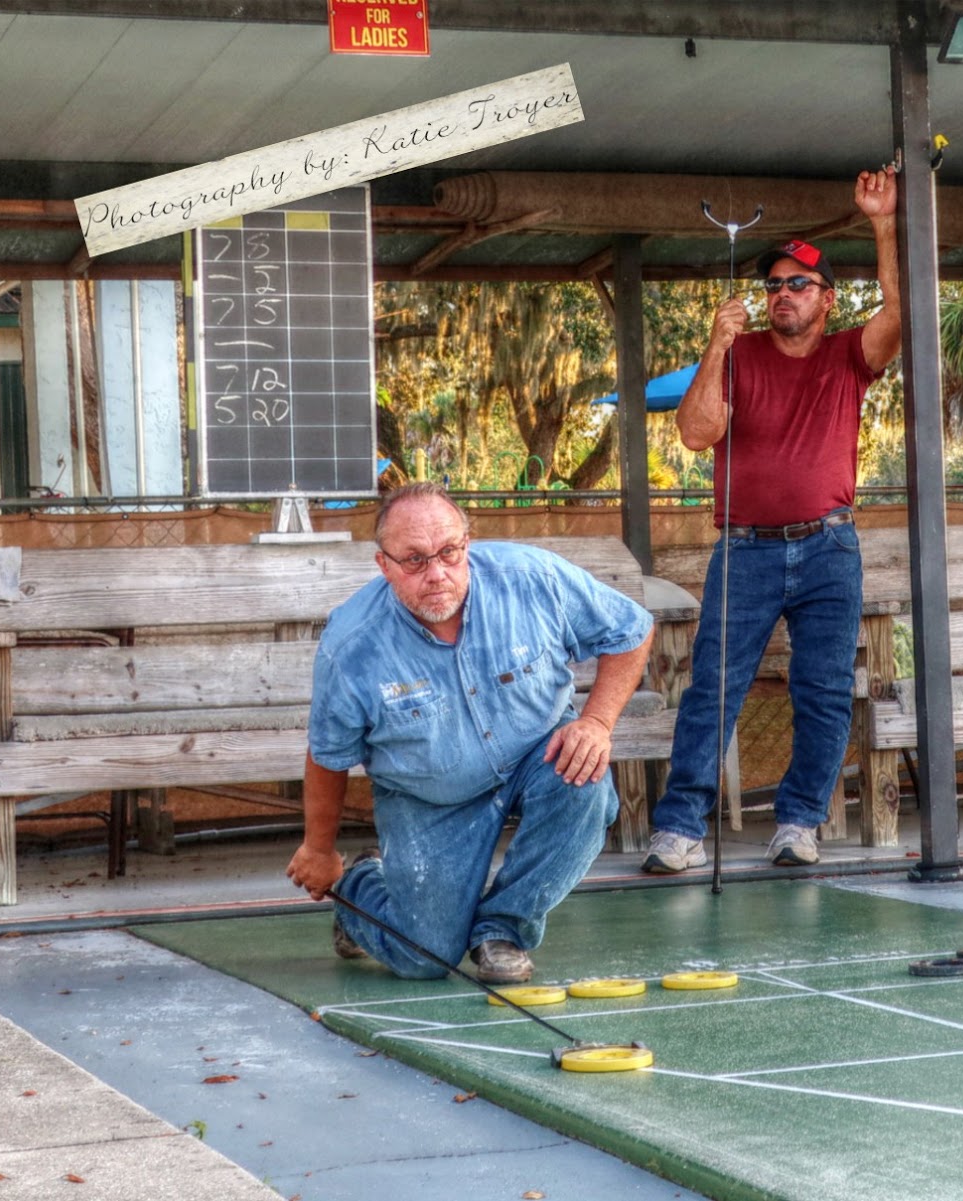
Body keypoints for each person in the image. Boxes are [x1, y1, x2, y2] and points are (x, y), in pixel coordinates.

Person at [286, 483, 654, 983]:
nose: (437, 574)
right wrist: (319, 849)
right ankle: (360, 889)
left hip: (535, 757)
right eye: (414, 561)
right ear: (384, 565)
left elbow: (630, 630)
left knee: (585, 780)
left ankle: (501, 930)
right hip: (428, 797)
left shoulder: (533, 578)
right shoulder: (350, 644)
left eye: (449, 553)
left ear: (467, 544)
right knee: (425, 957)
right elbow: (329, 754)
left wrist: (595, 722)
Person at [643, 165, 902, 874]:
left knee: (821, 691)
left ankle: (799, 822)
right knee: (713, 689)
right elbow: (696, 434)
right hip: (746, 549)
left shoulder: (850, 353)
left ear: (826, 299)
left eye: (797, 284)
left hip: (828, 546)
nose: (780, 294)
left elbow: (899, 315)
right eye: (772, 285)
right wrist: (717, 343)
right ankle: (680, 830)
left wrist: (882, 222)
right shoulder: (742, 353)